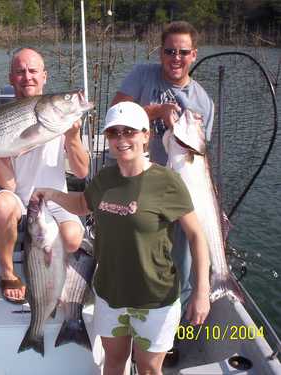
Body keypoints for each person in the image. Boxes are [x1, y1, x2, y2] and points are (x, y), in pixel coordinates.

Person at [32, 101, 210, 375]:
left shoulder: (167, 182)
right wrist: (51, 193)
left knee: (150, 369)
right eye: (113, 133)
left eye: (129, 132)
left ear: (146, 135)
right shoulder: (104, 178)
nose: (121, 139)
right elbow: (83, 204)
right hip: (110, 295)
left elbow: (197, 235)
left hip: (155, 299)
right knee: (114, 364)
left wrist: (201, 292)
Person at [111, 21, 214, 330]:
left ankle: (169, 334)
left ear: (194, 55)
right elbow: (115, 112)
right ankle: (125, 318)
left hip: (177, 191)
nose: (176, 58)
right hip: (134, 183)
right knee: (133, 255)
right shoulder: (142, 75)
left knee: (179, 264)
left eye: (183, 52)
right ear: (161, 53)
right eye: (170, 51)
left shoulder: (203, 103)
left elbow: (198, 157)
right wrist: (154, 113)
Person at [0, 47, 89, 303]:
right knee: (1, 204)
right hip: (18, 198)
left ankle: (42, 264)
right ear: (11, 78)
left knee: (74, 238)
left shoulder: (63, 117)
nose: (27, 76)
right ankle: (7, 272)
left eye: (33, 71)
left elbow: (82, 171)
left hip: (55, 199)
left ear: (45, 76)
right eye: (20, 72)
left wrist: (73, 136)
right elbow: (7, 183)